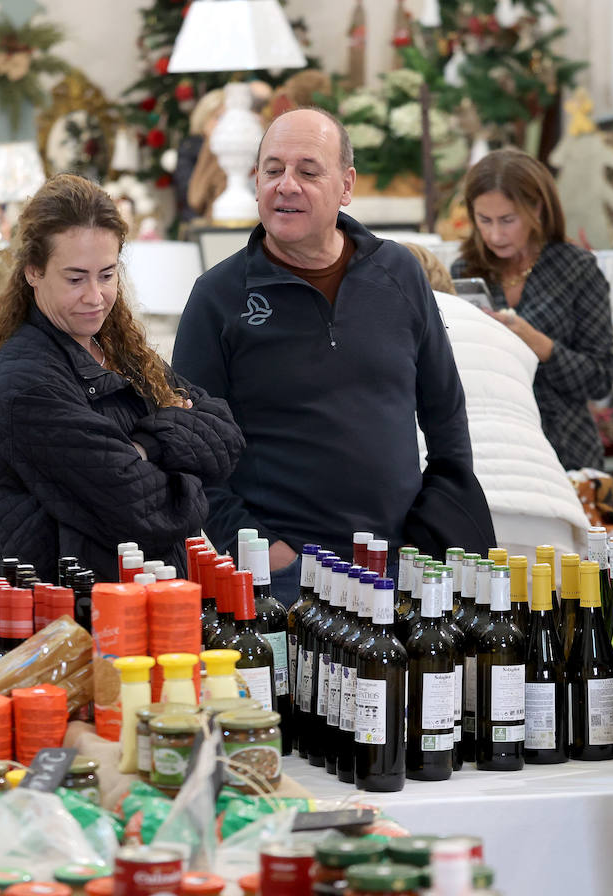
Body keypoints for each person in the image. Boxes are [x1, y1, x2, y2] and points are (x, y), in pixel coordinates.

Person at [172, 107, 494, 607]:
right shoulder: (217, 297)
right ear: (256, 181)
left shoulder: (399, 273)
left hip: (403, 568)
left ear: (346, 186)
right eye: (273, 169)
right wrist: (265, 553)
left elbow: (445, 414)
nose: (287, 185)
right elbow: (189, 455)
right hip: (285, 579)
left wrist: (435, 526)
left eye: (308, 170)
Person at [0, 173, 244, 581]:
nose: (95, 296)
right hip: (72, 625)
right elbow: (148, 510)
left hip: (142, 611)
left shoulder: (121, 350)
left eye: (107, 275)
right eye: (75, 279)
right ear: (33, 272)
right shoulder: (27, 383)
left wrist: (143, 448)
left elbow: (226, 434)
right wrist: (182, 463)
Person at [402, 242, 591, 558]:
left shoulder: (396, 322)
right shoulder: (498, 329)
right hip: (550, 510)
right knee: (545, 606)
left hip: (450, 515)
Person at [454, 148, 613, 471]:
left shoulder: (576, 269)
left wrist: (539, 344)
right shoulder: (464, 272)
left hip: (566, 450)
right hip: (489, 449)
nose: (494, 234)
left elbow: (601, 378)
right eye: (483, 220)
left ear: (538, 209)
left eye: (507, 220)